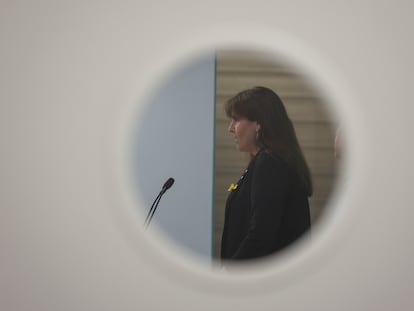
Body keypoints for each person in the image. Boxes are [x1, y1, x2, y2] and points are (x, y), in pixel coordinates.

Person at [220, 86, 313, 262]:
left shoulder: (269, 164)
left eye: (236, 120)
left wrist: (230, 273)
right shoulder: (266, 162)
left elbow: (261, 233)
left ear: (258, 124)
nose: (230, 128)